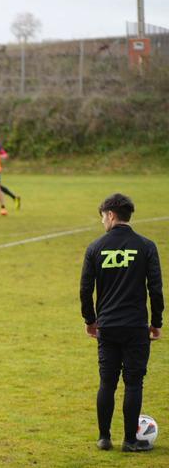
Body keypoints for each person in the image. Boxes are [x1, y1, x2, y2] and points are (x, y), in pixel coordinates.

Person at [80, 193, 163, 452]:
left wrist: (90, 320)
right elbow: (156, 289)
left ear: (111, 215)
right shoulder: (146, 246)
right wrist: (156, 321)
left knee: (107, 382)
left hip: (107, 325)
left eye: (102, 217)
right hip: (136, 326)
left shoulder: (95, 248)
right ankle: (130, 440)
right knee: (134, 383)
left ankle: (104, 438)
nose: (102, 221)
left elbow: (85, 289)